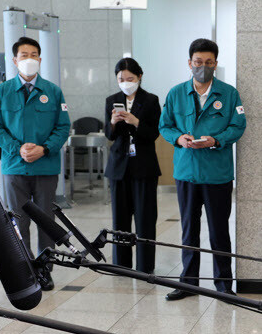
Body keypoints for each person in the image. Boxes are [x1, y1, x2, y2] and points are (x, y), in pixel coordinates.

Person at [159, 38, 246, 301]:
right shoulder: (176, 93)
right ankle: (188, 284)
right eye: (198, 62)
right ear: (189, 63)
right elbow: (165, 126)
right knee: (188, 230)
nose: (203, 67)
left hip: (217, 174)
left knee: (219, 230)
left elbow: (238, 126)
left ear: (216, 64)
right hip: (186, 172)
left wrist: (216, 140)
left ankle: (223, 285)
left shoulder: (229, 94)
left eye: (209, 62)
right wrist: (178, 138)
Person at [0, 36, 71, 291]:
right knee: (17, 222)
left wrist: (44, 148)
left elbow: (63, 126)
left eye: (34, 54)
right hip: (15, 167)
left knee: (46, 221)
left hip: (45, 167)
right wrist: (17, 148)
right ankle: (25, 271)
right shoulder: (2, 92)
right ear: (14, 60)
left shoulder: (53, 91)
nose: (29, 59)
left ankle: (45, 270)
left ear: (40, 59)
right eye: (24, 55)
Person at [104, 58, 161, 273]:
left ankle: (145, 267)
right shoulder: (112, 100)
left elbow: (154, 133)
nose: (125, 82)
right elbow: (109, 135)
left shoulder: (151, 100)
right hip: (119, 167)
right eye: (121, 79)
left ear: (139, 77)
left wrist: (135, 122)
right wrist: (113, 122)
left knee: (146, 218)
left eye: (130, 78)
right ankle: (122, 266)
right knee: (120, 219)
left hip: (144, 167)